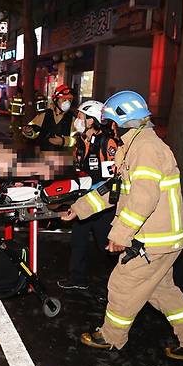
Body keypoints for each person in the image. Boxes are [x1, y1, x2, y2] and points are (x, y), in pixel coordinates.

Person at [63, 90, 183, 361]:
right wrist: (80, 209)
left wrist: (120, 235)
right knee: (163, 291)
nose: (110, 128)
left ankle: (111, 337)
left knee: (122, 284)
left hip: (154, 239)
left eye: (111, 123)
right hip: (165, 239)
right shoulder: (136, 146)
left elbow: (144, 198)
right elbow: (116, 189)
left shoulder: (146, 149)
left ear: (121, 122)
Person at [57, 100, 119, 291]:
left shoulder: (107, 143)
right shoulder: (81, 141)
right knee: (78, 241)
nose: (77, 120)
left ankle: (117, 286)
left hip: (102, 204)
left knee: (106, 245)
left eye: (81, 117)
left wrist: (93, 193)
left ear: (92, 120)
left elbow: (113, 179)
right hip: (83, 200)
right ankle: (77, 278)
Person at [22, 84, 75, 151]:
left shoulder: (72, 118)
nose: (67, 103)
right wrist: (28, 131)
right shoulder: (45, 115)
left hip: (62, 157)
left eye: (69, 100)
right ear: (56, 99)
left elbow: (76, 139)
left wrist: (63, 141)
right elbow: (34, 132)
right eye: (64, 99)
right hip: (44, 155)